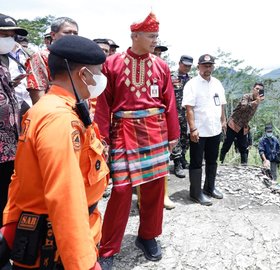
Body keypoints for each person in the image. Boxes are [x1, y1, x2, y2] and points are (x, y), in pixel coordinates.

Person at [2, 35, 108, 270]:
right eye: (99, 72)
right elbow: (65, 196)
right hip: (55, 249)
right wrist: (84, 263)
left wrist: (10, 222)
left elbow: (21, 176)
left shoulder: (46, 109)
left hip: (52, 238)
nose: (102, 78)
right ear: (83, 74)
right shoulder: (60, 119)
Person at [94, 12, 179, 269]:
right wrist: (102, 136)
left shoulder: (161, 66)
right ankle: (108, 248)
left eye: (156, 36)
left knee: (154, 187)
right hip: (123, 129)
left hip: (155, 129)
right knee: (120, 190)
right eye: (152, 36)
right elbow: (103, 102)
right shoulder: (113, 63)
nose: (156, 40)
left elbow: (169, 102)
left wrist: (173, 134)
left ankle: (148, 236)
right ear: (135, 36)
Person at [182, 54, 227, 206]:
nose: (208, 68)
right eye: (205, 65)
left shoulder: (217, 83)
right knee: (196, 162)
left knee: (212, 160)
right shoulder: (192, 84)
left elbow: (221, 104)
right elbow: (189, 109)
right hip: (199, 130)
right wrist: (193, 128)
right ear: (198, 67)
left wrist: (223, 121)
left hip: (215, 129)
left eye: (210, 65)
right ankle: (195, 193)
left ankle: (209, 187)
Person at [0, 13, 26, 230]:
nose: (8, 39)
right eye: (3, 34)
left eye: (11, 36)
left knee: (7, 194)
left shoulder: (8, 61)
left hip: (10, 143)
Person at [26, 17, 78, 104]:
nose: (72, 36)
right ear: (53, 35)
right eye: (67, 32)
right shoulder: (41, 56)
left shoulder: (77, 57)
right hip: (54, 110)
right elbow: (37, 90)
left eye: (75, 33)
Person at [219, 82, 265, 165]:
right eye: (257, 89)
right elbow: (244, 107)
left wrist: (257, 101)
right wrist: (255, 102)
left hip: (243, 126)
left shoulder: (258, 100)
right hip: (233, 124)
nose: (258, 91)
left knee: (244, 147)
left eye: (260, 90)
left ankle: (244, 166)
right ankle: (220, 162)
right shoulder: (246, 96)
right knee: (227, 145)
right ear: (253, 89)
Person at [170, 55, 193, 178]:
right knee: (176, 138)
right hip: (174, 114)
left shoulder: (192, 80)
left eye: (189, 66)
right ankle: (177, 163)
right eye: (185, 65)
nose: (187, 68)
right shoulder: (171, 77)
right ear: (179, 63)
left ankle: (183, 157)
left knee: (186, 138)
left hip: (187, 115)